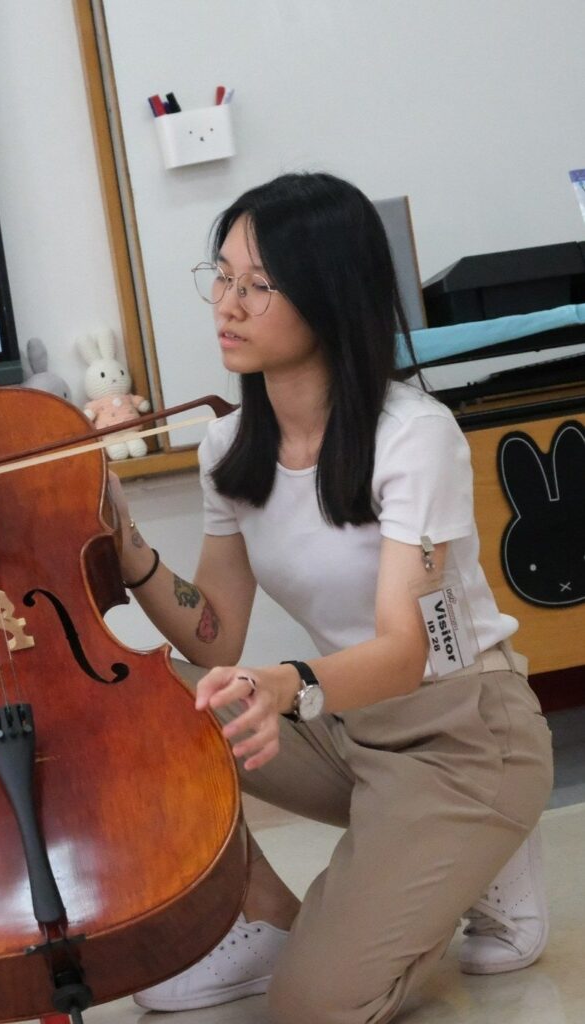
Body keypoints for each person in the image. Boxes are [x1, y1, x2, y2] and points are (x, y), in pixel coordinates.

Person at [109, 172, 553, 1024]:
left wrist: (286, 683)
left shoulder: (412, 436)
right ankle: (273, 916)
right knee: (132, 697)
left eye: (258, 285)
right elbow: (212, 635)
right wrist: (125, 544)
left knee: (312, 1010)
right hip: (349, 738)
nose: (227, 305)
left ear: (328, 296)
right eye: (222, 276)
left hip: (461, 734)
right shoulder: (228, 446)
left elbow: (404, 648)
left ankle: (481, 841)